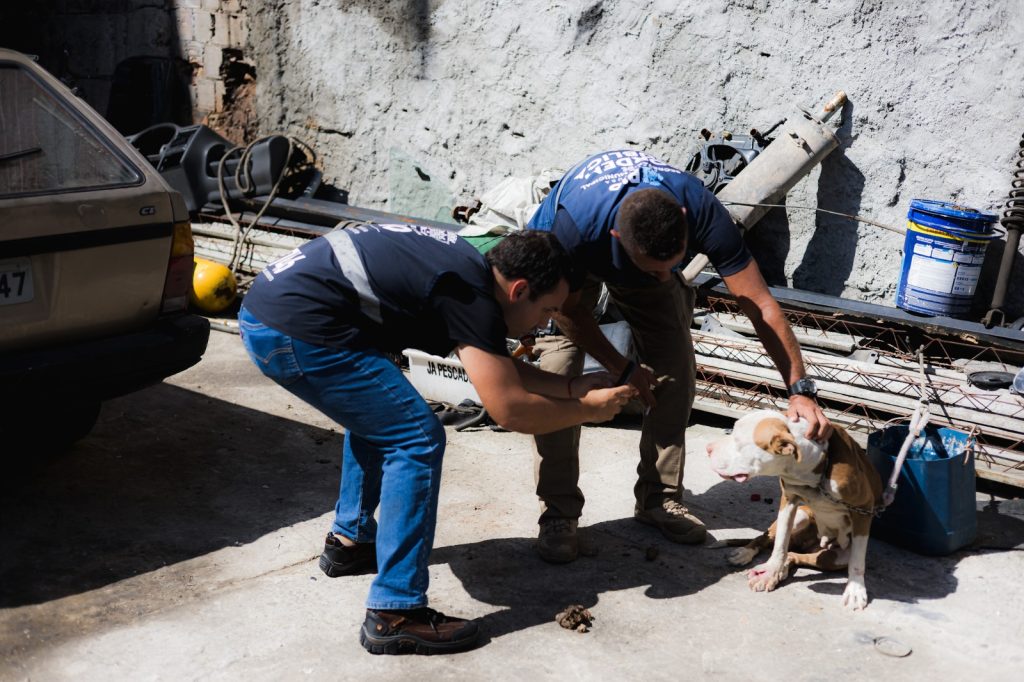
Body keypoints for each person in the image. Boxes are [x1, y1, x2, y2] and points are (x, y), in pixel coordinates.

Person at [238, 223, 635, 655]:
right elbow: (510, 409)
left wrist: (572, 387)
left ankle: (350, 541)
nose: (544, 324)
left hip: (275, 311)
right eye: (547, 310)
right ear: (519, 290)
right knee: (416, 437)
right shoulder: (470, 296)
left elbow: (498, 369)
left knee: (382, 413)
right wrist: (587, 410)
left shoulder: (474, 270)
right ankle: (395, 612)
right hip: (296, 328)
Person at [525, 149, 832, 563]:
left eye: (669, 266)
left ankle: (659, 498)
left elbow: (760, 305)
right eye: (653, 268)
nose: (661, 277)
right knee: (559, 374)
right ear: (618, 238)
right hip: (566, 265)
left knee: (675, 369)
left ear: (685, 220)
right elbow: (567, 311)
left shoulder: (701, 210)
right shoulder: (571, 230)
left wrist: (801, 389)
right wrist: (622, 368)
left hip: (628, 250)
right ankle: (558, 513)